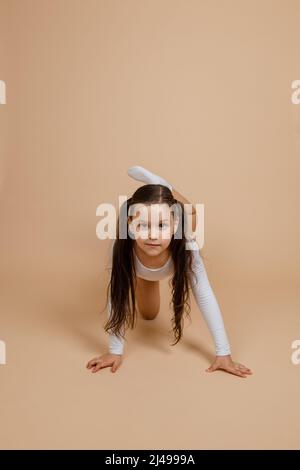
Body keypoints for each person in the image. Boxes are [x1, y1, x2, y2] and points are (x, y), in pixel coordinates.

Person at [86, 166, 252, 378]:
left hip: (174, 241)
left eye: (162, 226)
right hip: (143, 272)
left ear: (175, 225)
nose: (153, 235)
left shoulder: (187, 246)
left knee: (191, 211)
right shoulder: (120, 247)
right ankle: (145, 276)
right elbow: (116, 296)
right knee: (149, 315)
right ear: (129, 224)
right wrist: (114, 350)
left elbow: (204, 295)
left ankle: (164, 185)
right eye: (143, 225)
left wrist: (223, 353)